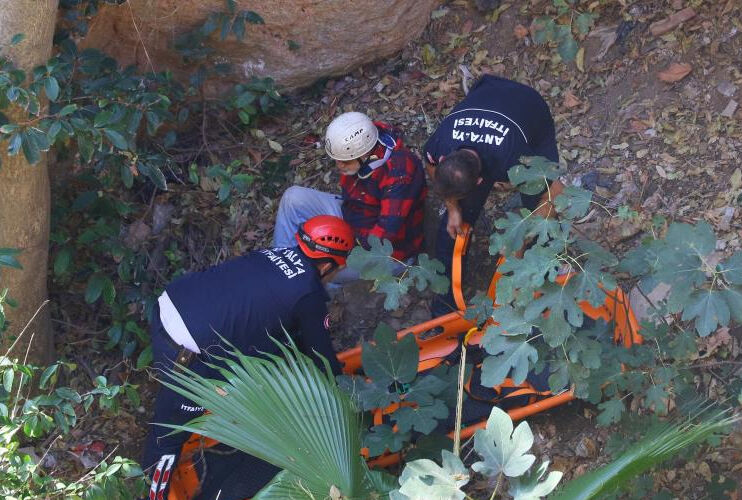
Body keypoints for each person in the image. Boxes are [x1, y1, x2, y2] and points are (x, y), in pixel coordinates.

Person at [142, 215, 355, 500]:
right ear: (328, 264)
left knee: (270, 344)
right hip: (187, 351)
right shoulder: (308, 293)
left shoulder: (275, 253)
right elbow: (322, 359)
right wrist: (345, 399)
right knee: (167, 437)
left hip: (172, 303)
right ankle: (150, 494)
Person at [422, 75, 564, 315]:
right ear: (446, 157)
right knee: (453, 226)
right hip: (488, 89)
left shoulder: (516, 160)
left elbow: (556, 191)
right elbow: (432, 168)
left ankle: (553, 268)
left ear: (481, 181)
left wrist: (522, 238)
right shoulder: (441, 142)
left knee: (537, 206)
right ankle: (444, 310)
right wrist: (454, 209)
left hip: (530, 108)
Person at [274, 111, 427, 283]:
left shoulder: (400, 174)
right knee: (293, 198)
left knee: (317, 270)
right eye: (337, 160)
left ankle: (305, 294)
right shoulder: (363, 138)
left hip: (388, 253)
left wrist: (334, 249)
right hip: (353, 216)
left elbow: (382, 237)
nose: (339, 166)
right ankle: (279, 266)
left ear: (365, 154)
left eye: (345, 161)